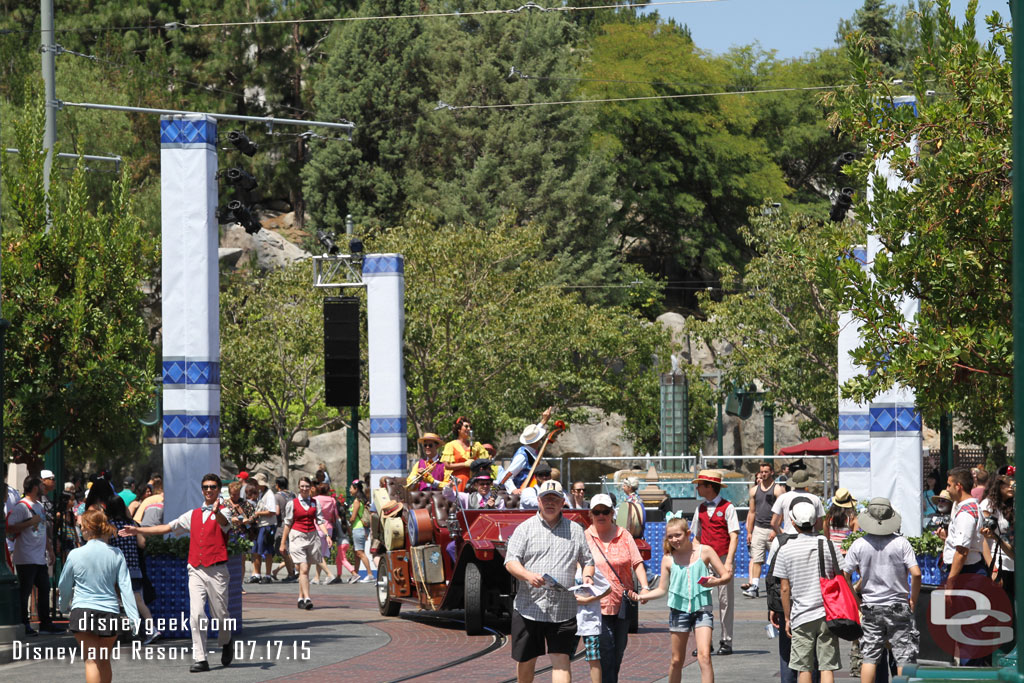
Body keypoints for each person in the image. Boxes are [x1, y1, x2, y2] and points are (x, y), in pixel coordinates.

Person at [119, 474, 236, 673]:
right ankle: (201, 658)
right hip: (196, 569)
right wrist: (138, 531)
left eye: (213, 487)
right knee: (197, 614)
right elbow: (167, 527)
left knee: (221, 614)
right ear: (202, 490)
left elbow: (225, 523)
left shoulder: (224, 512)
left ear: (218, 490)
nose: (209, 490)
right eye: (206, 487)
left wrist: (217, 512)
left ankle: (226, 641)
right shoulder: (192, 514)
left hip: (217, 570)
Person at [505, 480, 594, 683]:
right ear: (538, 501)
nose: (550, 503)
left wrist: (587, 577)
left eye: (555, 499)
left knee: (562, 660)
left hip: (563, 609)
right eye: (546, 499)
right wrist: (528, 575)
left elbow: (588, 561)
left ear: (563, 502)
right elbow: (510, 562)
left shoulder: (576, 530)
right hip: (529, 607)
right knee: (526, 661)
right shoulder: (524, 529)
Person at [640, 514, 730, 683]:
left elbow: (726, 575)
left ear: (688, 533)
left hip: (702, 609)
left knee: (704, 656)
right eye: (670, 536)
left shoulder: (705, 551)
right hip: (679, 611)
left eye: (678, 535)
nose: (674, 539)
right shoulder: (668, 559)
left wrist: (715, 581)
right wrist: (642, 596)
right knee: (676, 660)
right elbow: (661, 589)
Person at [843, 498, 920, 682]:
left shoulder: (859, 544)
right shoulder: (902, 543)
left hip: (870, 606)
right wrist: (912, 600)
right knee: (903, 657)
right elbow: (916, 574)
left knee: (869, 657)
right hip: (898, 605)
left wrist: (856, 600)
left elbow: (845, 574)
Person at [59, 509, 141, 683]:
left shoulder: (75, 554)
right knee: (103, 659)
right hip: (109, 611)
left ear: (88, 528)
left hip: (83, 610)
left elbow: (64, 585)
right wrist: (134, 617)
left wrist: (62, 605)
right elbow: (126, 588)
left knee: (91, 660)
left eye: (81, 526)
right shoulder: (116, 554)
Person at [773, 501, 846, 683]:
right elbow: (843, 576)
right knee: (827, 667)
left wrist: (788, 618)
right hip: (828, 613)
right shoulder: (830, 545)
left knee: (804, 667)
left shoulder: (786, 549)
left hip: (801, 615)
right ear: (816, 522)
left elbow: (784, 588)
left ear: (793, 522)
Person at [585, 493, 650, 683]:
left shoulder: (624, 534)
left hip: (622, 601)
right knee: (606, 648)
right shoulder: (585, 537)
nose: (601, 515)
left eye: (605, 511)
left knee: (619, 649)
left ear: (612, 512)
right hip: (596, 603)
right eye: (597, 512)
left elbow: (637, 563)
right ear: (591, 514)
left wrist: (644, 587)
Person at [690, 470, 738, 656]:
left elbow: (733, 536)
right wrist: (695, 561)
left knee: (725, 601)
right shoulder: (700, 509)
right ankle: (705, 641)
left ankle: (726, 640)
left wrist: (729, 563)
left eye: (700, 484)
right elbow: (696, 536)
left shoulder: (728, 508)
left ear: (710, 486)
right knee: (702, 602)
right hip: (704, 560)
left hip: (723, 558)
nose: (697, 487)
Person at [8, 475, 62, 634]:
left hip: (39, 557)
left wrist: (50, 549)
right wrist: (30, 522)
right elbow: (9, 527)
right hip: (25, 556)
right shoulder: (21, 507)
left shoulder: (39, 506)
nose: (43, 487)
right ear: (35, 487)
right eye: (40, 484)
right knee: (24, 591)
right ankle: (24, 623)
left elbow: (43, 530)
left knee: (44, 589)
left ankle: (46, 623)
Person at [106, 496, 159, 645]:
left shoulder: (109, 526)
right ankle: (151, 629)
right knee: (138, 601)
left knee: (118, 601)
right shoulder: (132, 524)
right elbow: (142, 544)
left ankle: (121, 632)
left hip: (116, 569)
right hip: (134, 567)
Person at [279, 477, 333, 609]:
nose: (304, 489)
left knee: (306, 569)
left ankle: (300, 597)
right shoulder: (292, 503)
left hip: (312, 537)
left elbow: (320, 520)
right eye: (302, 486)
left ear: (311, 488)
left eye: (307, 486)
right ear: (298, 487)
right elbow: (287, 524)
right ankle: (308, 598)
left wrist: (327, 535)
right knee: (303, 569)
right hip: (297, 536)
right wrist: (283, 543)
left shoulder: (315, 503)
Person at [744, 461, 779, 598]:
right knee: (757, 559)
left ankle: (777, 585)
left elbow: (780, 511)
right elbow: (752, 512)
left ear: (771, 472)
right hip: (758, 528)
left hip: (772, 529)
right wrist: (749, 532)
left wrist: (775, 529)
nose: (763, 474)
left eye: (766, 472)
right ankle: (754, 586)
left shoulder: (777, 489)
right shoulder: (754, 490)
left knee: (777, 559)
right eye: (761, 472)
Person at [500, 407, 554, 494]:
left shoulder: (531, 451)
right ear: (538, 440)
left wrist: (543, 421)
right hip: (524, 492)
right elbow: (507, 476)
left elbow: (533, 432)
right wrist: (513, 490)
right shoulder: (522, 456)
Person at [980, 470, 1015, 606]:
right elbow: (984, 539)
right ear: (998, 485)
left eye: (1013, 482)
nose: (1011, 486)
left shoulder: (1014, 504)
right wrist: (993, 569)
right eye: (1006, 483)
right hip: (1001, 565)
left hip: (1015, 565)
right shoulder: (988, 505)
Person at [771, 469, 825, 536]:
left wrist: (781, 534)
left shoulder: (783, 498)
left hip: (788, 537)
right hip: (809, 538)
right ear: (807, 483)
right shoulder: (815, 499)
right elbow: (819, 525)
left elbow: (773, 523)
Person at [442, 416, 489, 491]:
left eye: (470, 427)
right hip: (458, 482)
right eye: (466, 426)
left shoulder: (476, 445)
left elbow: (485, 463)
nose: (469, 429)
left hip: (474, 482)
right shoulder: (451, 445)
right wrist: (464, 464)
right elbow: (447, 465)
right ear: (459, 429)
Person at [249, 472, 279, 584]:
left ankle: (267, 574)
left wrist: (258, 513)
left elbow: (272, 511)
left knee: (267, 550)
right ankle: (257, 574)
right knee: (257, 549)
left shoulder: (269, 494)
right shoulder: (261, 493)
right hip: (261, 525)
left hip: (267, 526)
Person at [312, 482, 341, 585]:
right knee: (321, 554)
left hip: (318, 526)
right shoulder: (332, 500)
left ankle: (329, 574)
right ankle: (316, 577)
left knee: (317, 554)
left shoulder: (315, 499)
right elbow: (335, 515)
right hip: (329, 528)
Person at [271, 477, 298, 582]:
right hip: (293, 524)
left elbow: (277, 512)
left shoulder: (276, 496)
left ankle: (291, 573)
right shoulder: (293, 495)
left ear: (278, 485)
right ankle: (290, 571)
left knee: (284, 551)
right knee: (290, 549)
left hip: (282, 525)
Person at [349, 480, 374, 582]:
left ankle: (370, 574)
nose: (350, 490)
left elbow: (353, 517)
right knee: (357, 553)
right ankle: (356, 573)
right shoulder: (363, 500)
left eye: (351, 488)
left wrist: (348, 521)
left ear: (356, 489)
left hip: (358, 528)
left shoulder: (356, 501)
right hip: (362, 528)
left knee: (360, 552)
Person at [824, 488, 859, 554]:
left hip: (832, 552)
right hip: (846, 553)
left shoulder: (828, 517)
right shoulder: (852, 518)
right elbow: (855, 539)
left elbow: (827, 538)